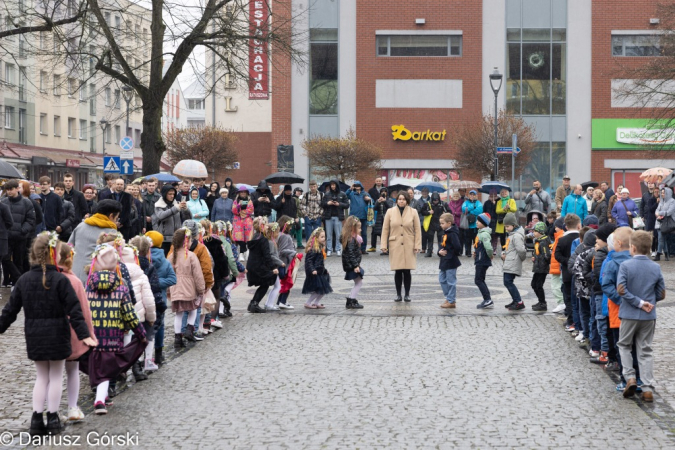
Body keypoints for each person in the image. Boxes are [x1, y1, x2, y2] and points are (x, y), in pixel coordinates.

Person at [0, 232, 95, 435]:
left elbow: (10, 311)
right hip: (58, 335)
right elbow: (75, 310)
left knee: (41, 377)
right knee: (56, 376)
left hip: (35, 335)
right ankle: (52, 417)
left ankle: (36, 419)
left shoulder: (24, 280)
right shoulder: (61, 280)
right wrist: (84, 334)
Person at [616, 230, 665, 403]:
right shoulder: (655, 267)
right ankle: (647, 388)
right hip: (648, 315)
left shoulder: (626, 266)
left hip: (629, 313)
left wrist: (638, 302)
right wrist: (648, 302)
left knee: (624, 345)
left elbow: (621, 289)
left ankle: (630, 377)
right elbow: (661, 294)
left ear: (633, 248)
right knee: (645, 350)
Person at [56, 242, 97, 424]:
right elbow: (84, 310)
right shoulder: (75, 281)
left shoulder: (47, 278)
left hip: (53, 333)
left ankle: (52, 410)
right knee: (72, 370)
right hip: (73, 331)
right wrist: (89, 334)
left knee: (53, 375)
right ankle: (72, 406)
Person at [120, 243, 157, 373]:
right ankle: (138, 366)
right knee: (139, 341)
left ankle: (123, 369)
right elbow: (149, 300)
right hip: (140, 317)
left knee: (126, 340)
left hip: (123, 316)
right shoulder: (141, 275)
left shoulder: (119, 272)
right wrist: (151, 317)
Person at [380, 191, 422, 302]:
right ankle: (398, 294)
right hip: (395, 244)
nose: (401, 201)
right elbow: (385, 230)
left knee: (407, 271)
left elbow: (418, 230)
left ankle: (407, 294)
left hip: (409, 244)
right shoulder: (390, 211)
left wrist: (417, 245)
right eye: (399, 199)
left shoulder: (413, 212)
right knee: (398, 270)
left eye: (403, 199)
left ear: (407, 200)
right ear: (396, 200)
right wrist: (384, 245)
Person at [168, 227, 207, 346]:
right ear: (186, 241)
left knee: (178, 314)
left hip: (175, 289)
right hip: (189, 289)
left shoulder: (170, 257)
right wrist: (201, 289)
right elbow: (198, 275)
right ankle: (190, 329)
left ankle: (177, 337)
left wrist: (168, 292)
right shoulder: (190, 256)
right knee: (193, 309)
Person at [144, 231, 177, 365]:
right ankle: (158, 353)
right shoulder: (164, 261)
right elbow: (172, 279)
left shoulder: (142, 258)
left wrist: (150, 283)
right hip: (160, 299)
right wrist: (158, 284)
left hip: (143, 298)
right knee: (160, 325)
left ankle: (143, 357)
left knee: (145, 325)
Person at [68, 199, 121, 283]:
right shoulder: (112, 233)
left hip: (73, 273)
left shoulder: (81, 226)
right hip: (95, 277)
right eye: (117, 218)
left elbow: (69, 247)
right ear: (111, 216)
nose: (116, 221)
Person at [587, 223, 616, 364]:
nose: (596, 241)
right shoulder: (602, 254)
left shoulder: (601, 255)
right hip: (600, 293)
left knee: (602, 324)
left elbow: (599, 277)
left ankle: (606, 353)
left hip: (600, 293)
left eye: (598, 238)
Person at [1, 180, 32, 286]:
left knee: (19, 260)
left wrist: (23, 230)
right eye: (7, 189)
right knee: (5, 258)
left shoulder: (26, 202)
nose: (9, 192)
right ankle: (7, 280)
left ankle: (16, 282)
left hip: (20, 237)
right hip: (7, 236)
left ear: (17, 189)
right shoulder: (4, 202)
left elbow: (31, 219)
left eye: (11, 189)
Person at [555, 213, 582, 331]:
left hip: (566, 273)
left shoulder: (562, 239)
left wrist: (567, 262)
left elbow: (557, 255)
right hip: (580, 273)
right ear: (579, 226)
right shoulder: (582, 238)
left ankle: (571, 321)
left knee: (568, 299)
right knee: (578, 299)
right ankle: (579, 322)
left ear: (565, 226)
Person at [246, 217, 278, 313]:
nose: (268, 227)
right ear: (262, 226)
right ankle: (254, 303)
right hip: (259, 266)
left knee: (265, 282)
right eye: (267, 224)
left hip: (252, 265)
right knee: (266, 282)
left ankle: (253, 303)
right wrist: (273, 268)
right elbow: (267, 255)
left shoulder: (254, 237)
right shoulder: (262, 239)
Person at [152, 184, 192, 255]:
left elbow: (188, 218)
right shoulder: (158, 205)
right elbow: (161, 216)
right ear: (164, 194)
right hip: (164, 239)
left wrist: (185, 209)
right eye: (169, 194)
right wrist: (176, 209)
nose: (172, 196)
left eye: (173, 194)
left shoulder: (176, 204)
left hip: (177, 237)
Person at [501, 213, 527, 311]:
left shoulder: (516, 236)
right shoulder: (511, 235)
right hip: (509, 261)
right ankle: (515, 300)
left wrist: (520, 259)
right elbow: (509, 248)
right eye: (505, 227)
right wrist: (504, 253)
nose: (506, 228)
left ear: (514, 225)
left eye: (507, 226)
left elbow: (521, 250)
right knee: (507, 282)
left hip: (513, 262)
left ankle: (519, 301)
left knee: (508, 282)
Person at [302, 227, 332, 309]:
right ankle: (308, 303)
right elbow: (309, 261)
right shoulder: (313, 249)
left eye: (324, 237)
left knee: (323, 290)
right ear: (316, 238)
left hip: (320, 272)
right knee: (318, 290)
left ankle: (316, 302)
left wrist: (325, 270)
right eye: (322, 237)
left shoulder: (320, 248)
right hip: (315, 273)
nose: (324, 239)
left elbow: (320, 263)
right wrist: (312, 270)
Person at [437, 212, 462, 309]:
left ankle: (451, 301)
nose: (441, 225)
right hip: (444, 261)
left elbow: (457, 247)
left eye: (442, 223)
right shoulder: (444, 233)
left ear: (449, 223)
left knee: (451, 281)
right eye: (440, 223)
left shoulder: (453, 234)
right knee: (442, 279)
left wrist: (450, 253)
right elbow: (441, 245)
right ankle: (448, 297)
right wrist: (439, 252)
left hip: (451, 261)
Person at [341, 216, 365, 309]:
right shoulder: (351, 239)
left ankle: (351, 300)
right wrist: (355, 266)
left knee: (358, 282)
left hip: (352, 264)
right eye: (359, 228)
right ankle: (351, 301)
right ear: (352, 228)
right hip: (352, 265)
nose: (361, 229)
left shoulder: (353, 238)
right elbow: (350, 253)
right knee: (359, 283)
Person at [276, 216, 300, 309]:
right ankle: (282, 301)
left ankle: (280, 301)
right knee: (288, 283)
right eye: (289, 226)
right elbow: (282, 251)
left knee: (286, 283)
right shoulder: (284, 236)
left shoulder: (283, 235)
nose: (291, 228)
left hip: (287, 262)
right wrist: (294, 253)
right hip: (285, 263)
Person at [321, 179, 349, 256]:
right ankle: (329, 249)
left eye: (334, 185)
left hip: (338, 217)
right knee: (329, 234)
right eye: (331, 185)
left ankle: (338, 249)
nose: (333, 186)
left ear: (337, 185)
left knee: (338, 234)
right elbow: (322, 204)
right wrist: (328, 203)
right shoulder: (326, 194)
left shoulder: (342, 194)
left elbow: (347, 205)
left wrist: (339, 204)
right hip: (328, 217)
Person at [262, 222, 285, 311]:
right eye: (277, 232)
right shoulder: (271, 243)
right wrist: (280, 262)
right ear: (272, 232)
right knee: (277, 286)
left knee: (276, 286)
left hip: (273, 266)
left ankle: (268, 303)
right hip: (273, 267)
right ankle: (269, 304)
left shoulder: (272, 242)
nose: (278, 234)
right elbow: (272, 256)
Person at [473, 213, 494, 309]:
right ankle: (487, 299)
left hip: (482, 260)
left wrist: (490, 255)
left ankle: (487, 299)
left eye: (479, 221)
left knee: (478, 280)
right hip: (480, 258)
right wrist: (475, 252)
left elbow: (488, 247)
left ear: (484, 223)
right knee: (480, 279)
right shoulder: (480, 232)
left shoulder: (484, 234)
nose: (476, 222)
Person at [344, 182, 371, 254]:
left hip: (363, 216)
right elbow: (345, 195)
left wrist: (369, 199)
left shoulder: (365, 194)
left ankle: (363, 249)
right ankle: (353, 248)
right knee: (353, 233)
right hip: (354, 217)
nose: (357, 187)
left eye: (358, 185)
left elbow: (372, 201)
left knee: (364, 233)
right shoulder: (352, 194)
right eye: (356, 185)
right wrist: (350, 188)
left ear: (361, 186)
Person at [531, 222, 552, 311]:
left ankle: (543, 303)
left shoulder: (543, 242)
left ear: (540, 232)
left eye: (535, 231)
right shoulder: (538, 240)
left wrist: (539, 259)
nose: (533, 233)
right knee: (534, 284)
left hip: (542, 268)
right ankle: (541, 301)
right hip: (538, 267)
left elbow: (546, 255)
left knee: (538, 285)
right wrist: (535, 257)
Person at [422, 192, 450, 257]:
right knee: (430, 238)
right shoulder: (427, 204)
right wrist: (428, 212)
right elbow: (422, 212)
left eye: (437, 200)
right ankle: (429, 251)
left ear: (439, 199)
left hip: (441, 224)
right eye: (434, 200)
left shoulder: (443, 204)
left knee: (441, 238)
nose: (435, 201)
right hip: (431, 223)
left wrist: (445, 213)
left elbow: (449, 212)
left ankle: (440, 251)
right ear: (432, 199)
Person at [232, 186, 255, 257]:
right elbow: (233, 210)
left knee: (247, 236)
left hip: (247, 221)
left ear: (246, 193)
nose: (243, 193)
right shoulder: (236, 201)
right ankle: (242, 251)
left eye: (244, 192)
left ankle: (246, 251)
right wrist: (239, 206)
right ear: (239, 193)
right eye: (241, 192)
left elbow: (250, 210)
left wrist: (242, 213)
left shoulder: (249, 201)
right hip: (238, 221)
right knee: (239, 237)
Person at [550, 218, 566, 313]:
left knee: (555, 286)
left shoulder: (560, 237)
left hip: (556, 266)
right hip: (556, 265)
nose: (555, 228)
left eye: (556, 227)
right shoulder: (559, 236)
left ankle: (561, 303)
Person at [460, 190, 483, 257]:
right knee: (467, 239)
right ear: (469, 195)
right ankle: (468, 252)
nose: (472, 196)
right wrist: (473, 207)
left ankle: (476, 251)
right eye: (471, 194)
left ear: (476, 196)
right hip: (468, 224)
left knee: (476, 239)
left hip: (476, 224)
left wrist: (471, 212)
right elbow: (464, 209)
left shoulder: (478, 203)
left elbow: (480, 210)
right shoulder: (466, 202)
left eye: (474, 195)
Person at [655, 187, 675, 261]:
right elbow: (657, 209)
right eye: (662, 193)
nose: (662, 194)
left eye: (664, 193)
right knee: (663, 239)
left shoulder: (672, 201)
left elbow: (669, 211)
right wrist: (657, 213)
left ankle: (658, 254)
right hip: (659, 222)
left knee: (661, 238)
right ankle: (666, 254)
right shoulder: (661, 201)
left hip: (666, 223)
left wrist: (660, 213)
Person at [369, 188, 390, 254]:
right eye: (382, 192)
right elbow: (374, 208)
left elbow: (390, 208)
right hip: (378, 218)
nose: (383, 193)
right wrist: (378, 202)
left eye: (385, 192)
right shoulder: (378, 200)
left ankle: (388, 248)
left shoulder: (389, 200)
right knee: (379, 233)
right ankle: (383, 248)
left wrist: (385, 201)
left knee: (387, 233)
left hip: (387, 218)